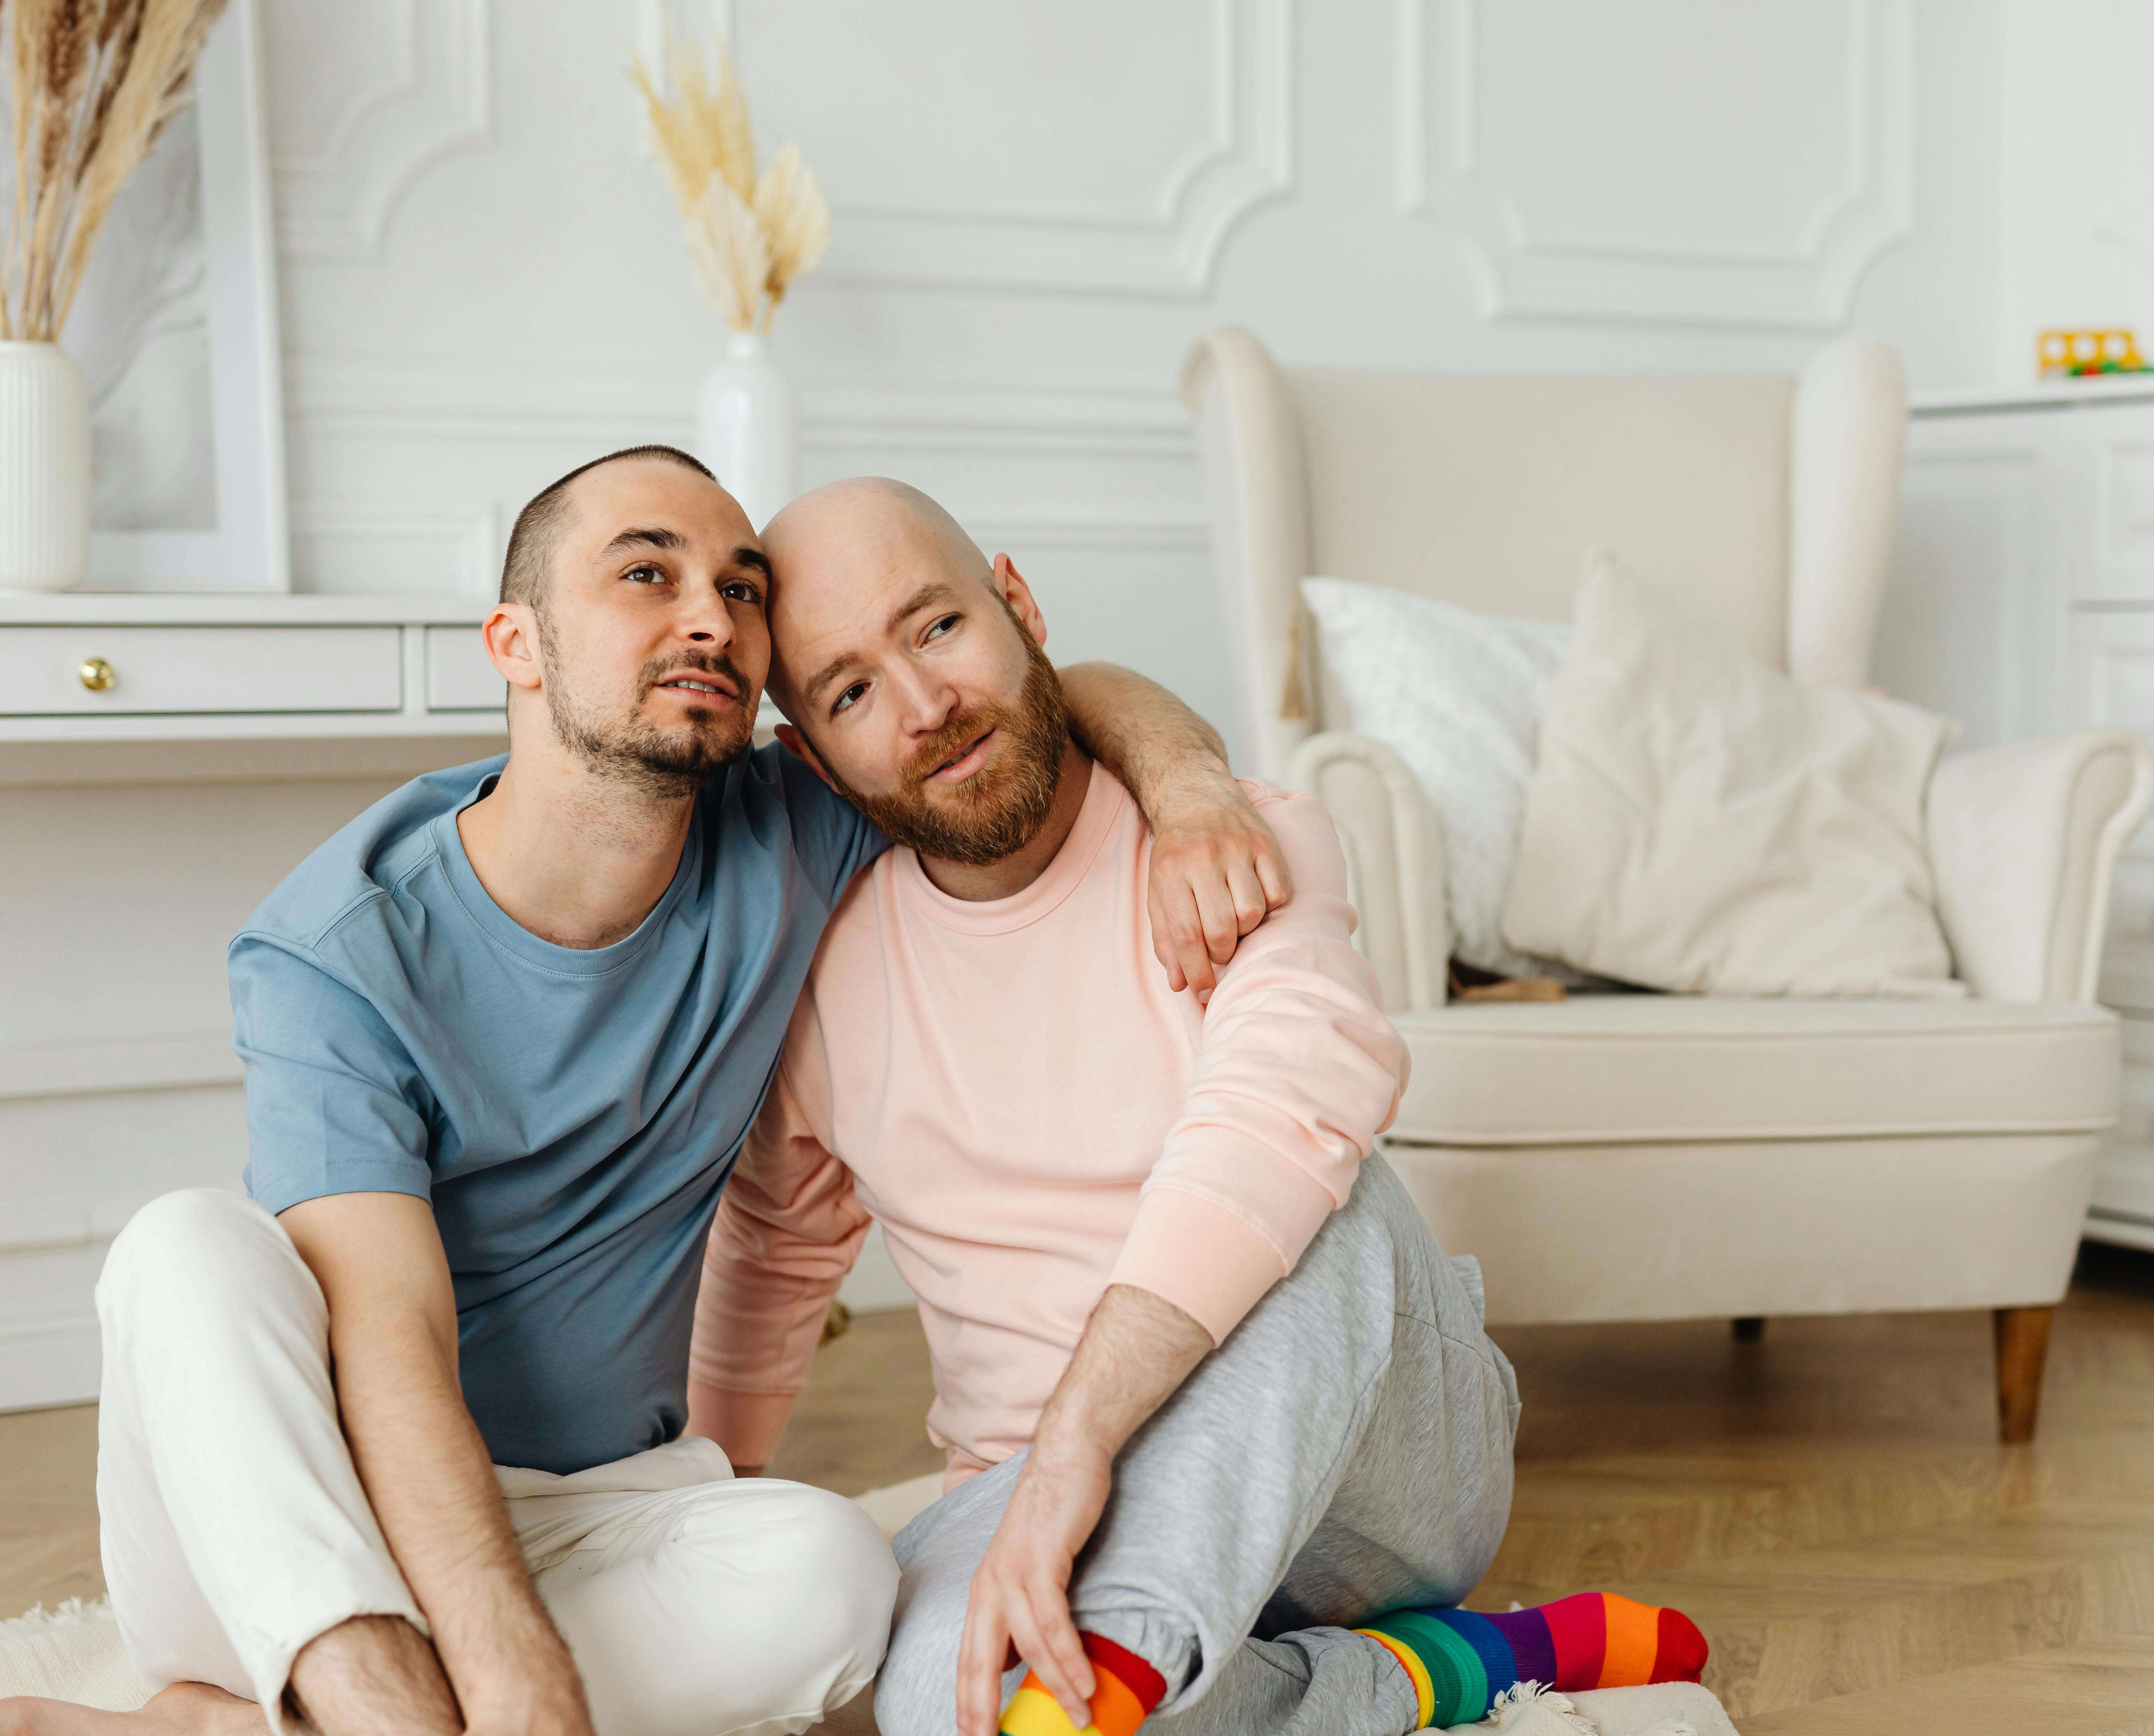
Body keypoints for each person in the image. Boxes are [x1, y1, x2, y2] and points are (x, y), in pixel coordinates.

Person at [0, 448, 1289, 1736]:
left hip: (592, 1514)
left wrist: (1192, 791)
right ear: (515, 642)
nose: (711, 615)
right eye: (647, 574)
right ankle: (366, 1690)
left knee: (835, 1573)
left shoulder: (789, 826)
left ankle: (234, 1725)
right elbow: (386, 1343)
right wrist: (519, 1681)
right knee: (186, 1245)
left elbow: (1037, 688)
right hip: (299, 1513)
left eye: (739, 589)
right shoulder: (339, 947)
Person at [692, 478, 1706, 1736]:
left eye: (938, 626)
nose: (923, 705)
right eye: (849, 692)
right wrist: (703, 1517)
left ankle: (1133, 1667)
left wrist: (1078, 1442)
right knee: (938, 1698)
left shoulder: (1233, 842)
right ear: (809, 751)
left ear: (1018, 601)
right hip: (1040, 1497)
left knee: (1313, 1200)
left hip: (1370, 1472)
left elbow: (1282, 1118)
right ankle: (1442, 1673)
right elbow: (776, 1250)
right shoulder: (826, 974)